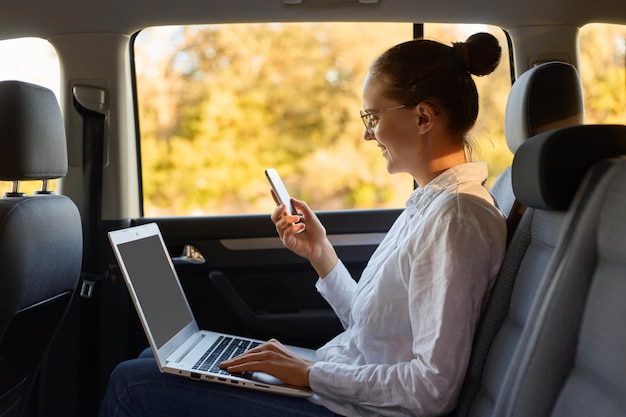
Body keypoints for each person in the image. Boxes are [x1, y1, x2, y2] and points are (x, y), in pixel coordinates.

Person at [99, 32, 506, 417]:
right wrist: (321, 252)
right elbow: (376, 332)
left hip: (353, 408)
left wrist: (308, 373)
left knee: (130, 383)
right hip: (341, 387)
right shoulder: (431, 205)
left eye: (373, 116)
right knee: (148, 363)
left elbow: (432, 388)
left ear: (422, 118)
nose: (368, 134)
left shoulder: (456, 218)